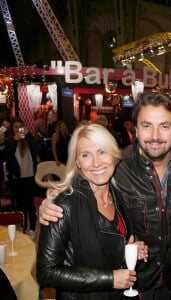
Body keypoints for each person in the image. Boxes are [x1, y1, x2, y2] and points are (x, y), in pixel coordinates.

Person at [39, 92, 171, 300]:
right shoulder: (121, 166)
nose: (155, 135)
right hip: (138, 284)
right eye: (146, 125)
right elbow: (48, 270)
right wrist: (50, 202)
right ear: (134, 129)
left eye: (164, 126)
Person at [36, 123, 148, 300]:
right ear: (78, 162)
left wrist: (129, 251)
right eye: (86, 155)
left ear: (114, 155)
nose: (96, 163)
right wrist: (109, 279)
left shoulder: (117, 194)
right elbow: (46, 272)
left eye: (102, 152)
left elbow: (105, 250)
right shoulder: (63, 204)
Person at [3, 117, 41, 237]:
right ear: (12, 129)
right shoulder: (9, 142)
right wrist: (14, 140)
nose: (18, 129)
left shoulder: (29, 140)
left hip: (29, 176)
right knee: (21, 206)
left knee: (30, 205)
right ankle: (24, 228)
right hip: (16, 178)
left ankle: (33, 229)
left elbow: (37, 150)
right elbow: (6, 156)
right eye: (15, 127)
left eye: (20, 126)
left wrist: (28, 135)